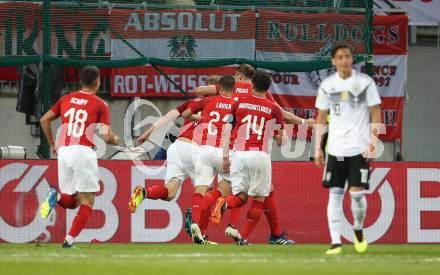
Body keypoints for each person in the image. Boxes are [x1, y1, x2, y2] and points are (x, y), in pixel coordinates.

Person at [39, 65, 119, 248]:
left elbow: (44, 119)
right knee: (87, 200)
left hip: (65, 151)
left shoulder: (65, 99)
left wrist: (52, 144)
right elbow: (107, 137)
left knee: (72, 201)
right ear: (97, 81)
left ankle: (56, 197)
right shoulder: (100, 104)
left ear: (81, 81)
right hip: (83, 151)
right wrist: (115, 139)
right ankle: (69, 240)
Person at [314, 44, 382, 255]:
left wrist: (373, 143)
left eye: (348, 56)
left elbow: (376, 113)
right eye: (340, 57)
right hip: (335, 149)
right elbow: (320, 118)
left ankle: (358, 229)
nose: (344, 60)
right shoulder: (327, 85)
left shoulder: (364, 83)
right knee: (334, 194)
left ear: (352, 59)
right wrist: (318, 148)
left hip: (359, 149)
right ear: (333, 61)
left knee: (356, 195)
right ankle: (335, 243)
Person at [211, 71, 286, 245]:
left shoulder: (238, 103)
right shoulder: (274, 108)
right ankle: (243, 237)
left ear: (252, 86)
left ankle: (225, 202)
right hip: (259, 155)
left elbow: (227, 129)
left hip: (238, 155)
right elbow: (282, 140)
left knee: (240, 197)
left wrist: (225, 157)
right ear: (267, 89)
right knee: (259, 198)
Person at [180, 75, 236, 243]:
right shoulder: (236, 104)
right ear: (233, 89)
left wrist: (198, 118)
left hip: (204, 150)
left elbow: (185, 113)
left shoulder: (208, 101)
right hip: (224, 151)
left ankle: (197, 224)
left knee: (200, 190)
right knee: (224, 192)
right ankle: (203, 225)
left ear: (218, 87)